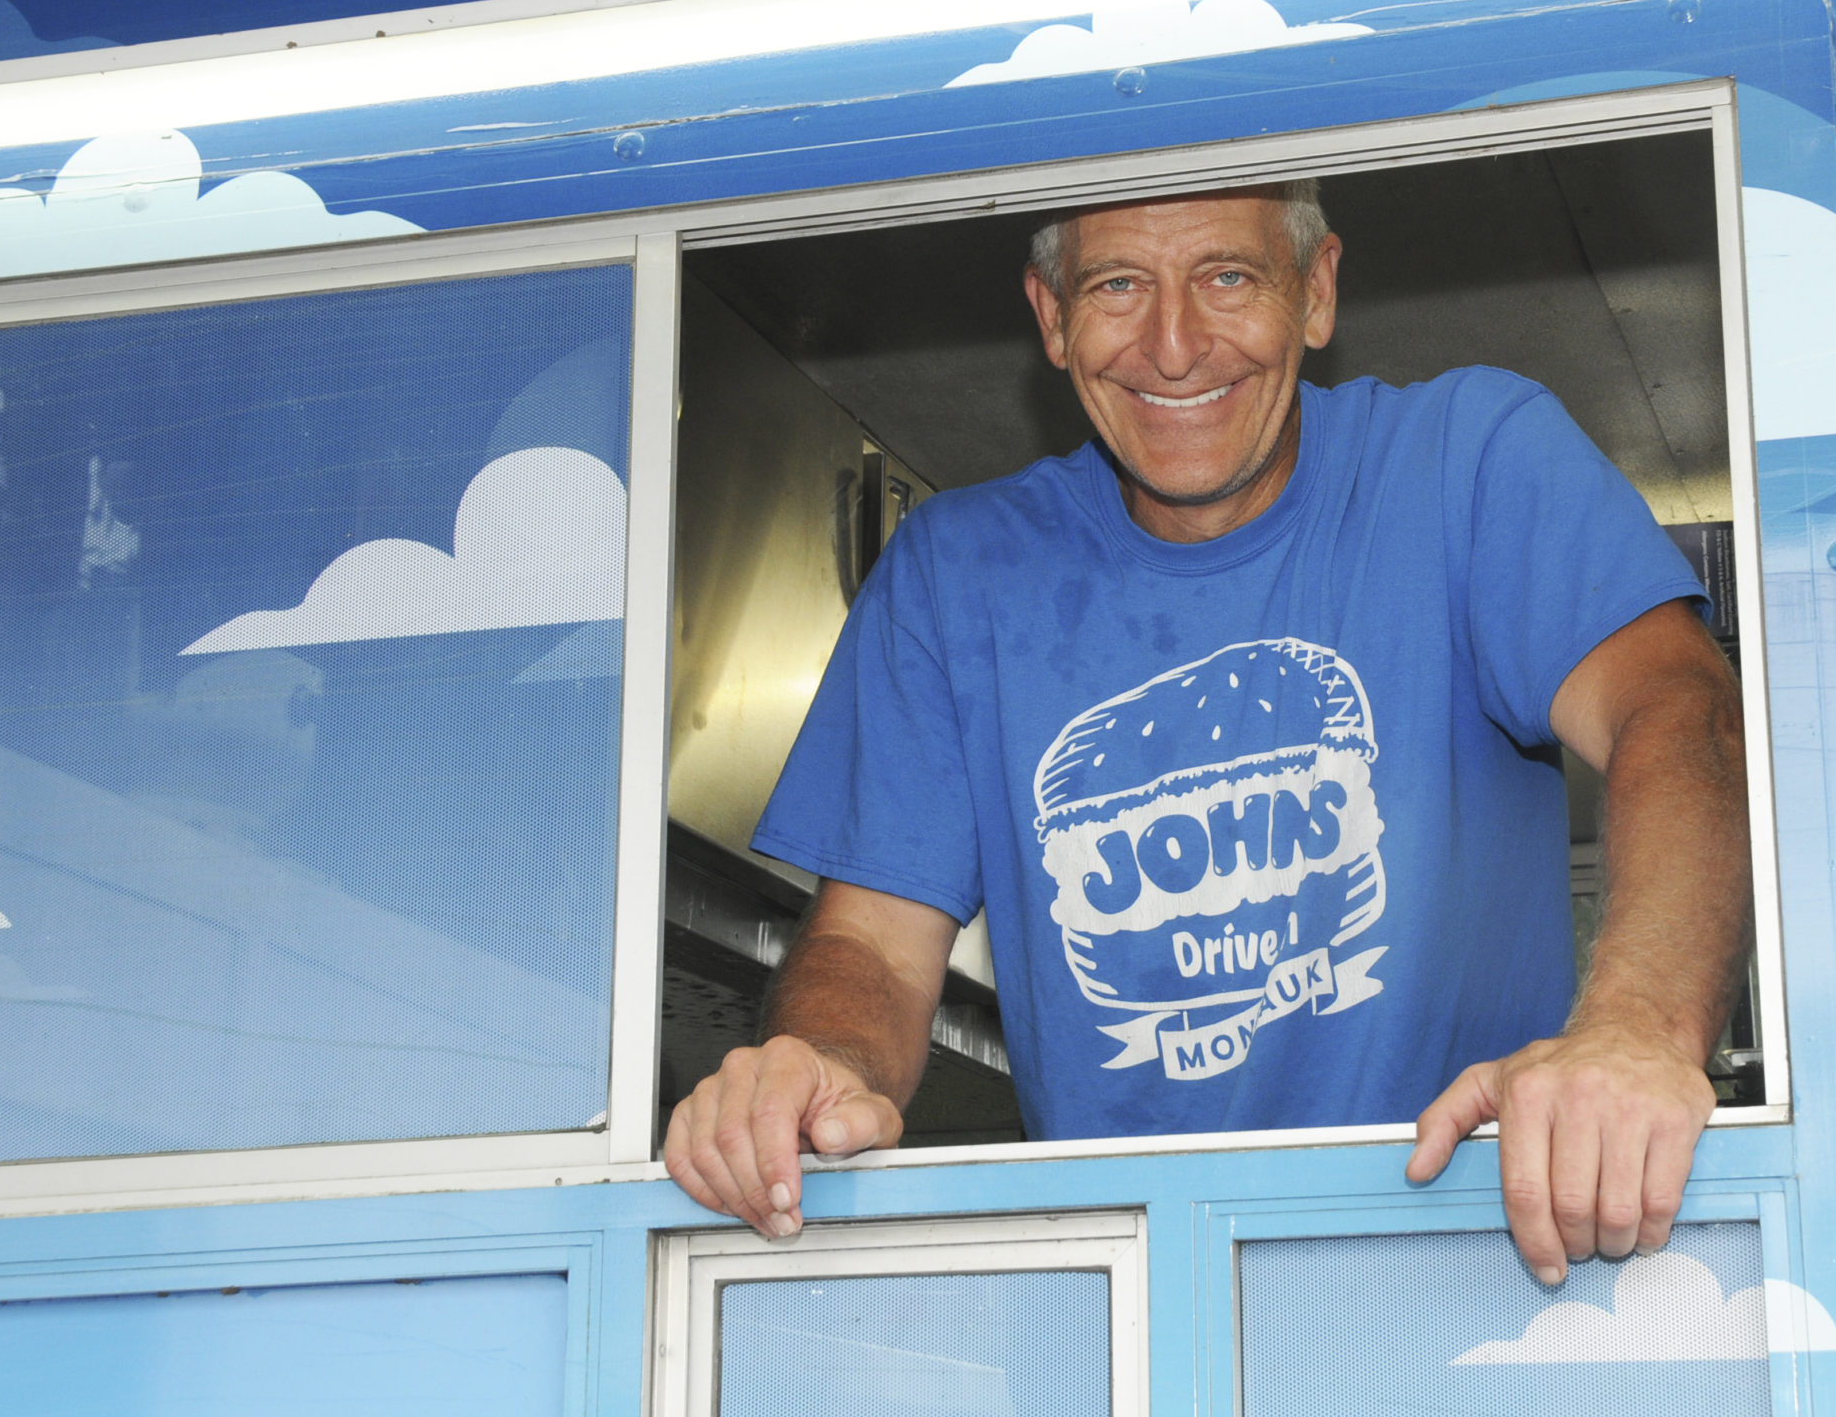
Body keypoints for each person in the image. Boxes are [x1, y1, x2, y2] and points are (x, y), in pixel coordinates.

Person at [664, 180, 1752, 1285]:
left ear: (1316, 292)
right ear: (1050, 318)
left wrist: (1637, 1029)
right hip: (1139, 1311)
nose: (1173, 346)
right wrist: (816, 1061)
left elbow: (1676, 710)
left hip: (1492, 1269)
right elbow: (871, 948)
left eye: (1226, 276)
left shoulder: (1467, 461)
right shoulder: (957, 572)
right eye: (1117, 285)